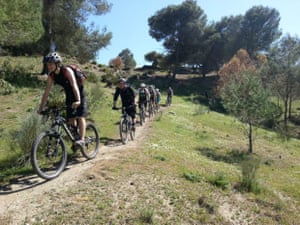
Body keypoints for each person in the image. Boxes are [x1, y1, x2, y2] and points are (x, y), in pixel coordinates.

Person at [37, 52, 87, 147]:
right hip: (68, 93)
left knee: (80, 115)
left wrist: (78, 100)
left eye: (51, 64)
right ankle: (75, 136)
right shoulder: (51, 76)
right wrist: (41, 108)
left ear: (57, 63)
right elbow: (46, 93)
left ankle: (82, 139)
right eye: (48, 64)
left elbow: (74, 85)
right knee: (71, 117)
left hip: (79, 92)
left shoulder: (66, 71)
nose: (49, 66)